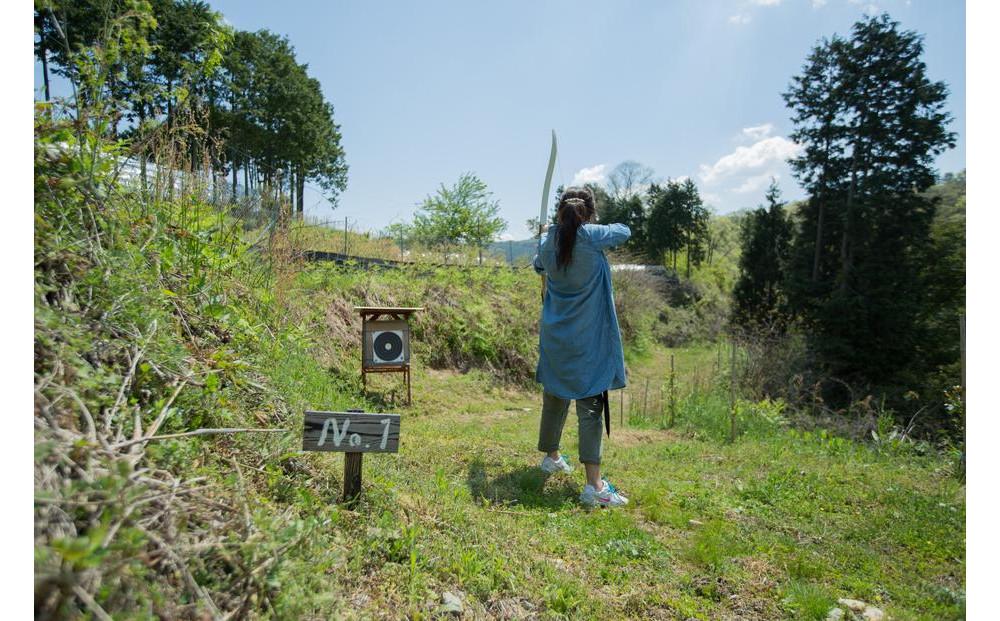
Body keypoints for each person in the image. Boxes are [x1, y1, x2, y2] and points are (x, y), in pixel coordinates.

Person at [532, 186, 631, 508]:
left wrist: (547, 234)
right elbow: (624, 231)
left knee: (555, 394)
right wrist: (587, 226)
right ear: (588, 212)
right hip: (587, 338)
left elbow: (538, 266)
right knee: (590, 405)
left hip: (556, 336)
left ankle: (552, 457)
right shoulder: (591, 236)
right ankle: (594, 487)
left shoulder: (549, 242)